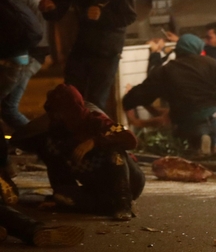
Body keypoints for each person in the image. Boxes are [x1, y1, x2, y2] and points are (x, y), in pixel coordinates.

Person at [24, 84, 145, 221]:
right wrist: (62, 198)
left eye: (64, 111)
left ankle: (123, 203)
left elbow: (130, 139)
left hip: (128, 182)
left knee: (115, 151)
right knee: (61, 195)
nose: (60, 116)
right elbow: (59, 175)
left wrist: (95, 141)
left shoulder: (97, 121)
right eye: (56, 112)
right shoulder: (56, 138)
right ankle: (110, 206)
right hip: (98, 190)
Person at [41, 0, 139, 108]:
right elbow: (59, 8)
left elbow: (129, 16)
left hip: (107, 49)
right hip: (83, 43)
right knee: (71, 94)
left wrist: (103, 16)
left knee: (95, 101)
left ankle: (93, 131)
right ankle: (72, 131)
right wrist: (49, 8)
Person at [123, 34, 216, 152]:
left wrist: (128, 100)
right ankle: (215, 145)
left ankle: (198, 144)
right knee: (215, 111)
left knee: (179, 115)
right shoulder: (211, 63)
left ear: (178, 50)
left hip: (187, 123)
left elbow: (143, 94)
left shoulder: (167, 70)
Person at [0, 0, 47, 130]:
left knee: (9, 108)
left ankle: (39, 142)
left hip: (29, 51)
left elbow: (16, 25)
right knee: (8, 108)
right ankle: (38, 142)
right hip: (32, 48)